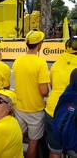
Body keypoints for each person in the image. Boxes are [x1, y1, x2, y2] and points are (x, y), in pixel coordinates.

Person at [12, 30, 50, 158]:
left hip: (19, 107)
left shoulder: (17, 62)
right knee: (33, 143)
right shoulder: (41, 63)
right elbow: (44, 91)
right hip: (35, 110)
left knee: (18, 140)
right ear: (40, 44)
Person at [44, 36, 77, 158]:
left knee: (54, 150)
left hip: (53, 112)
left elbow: (52, 86)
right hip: (73, 115)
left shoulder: (56, 64)